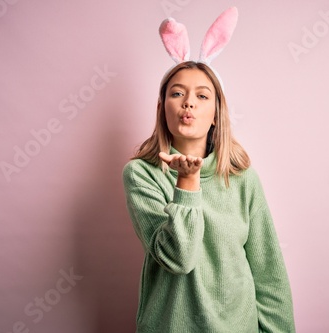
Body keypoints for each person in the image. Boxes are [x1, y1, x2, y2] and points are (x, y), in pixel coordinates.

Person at [122, 7, 295, 333]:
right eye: (177, 93)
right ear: (162, 109)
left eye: (202, 96)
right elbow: (178, 258)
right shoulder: (142, 175)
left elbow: (268, 274)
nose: (188, 102)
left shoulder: (242, 178)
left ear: (216, 112)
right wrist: (187, 182)